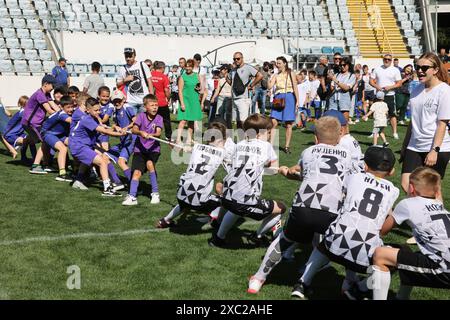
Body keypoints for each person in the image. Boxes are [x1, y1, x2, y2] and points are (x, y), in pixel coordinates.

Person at [247, 116, 352, 295]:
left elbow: (305, 174)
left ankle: (258, 278)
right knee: (323, 245)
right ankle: (306, 280)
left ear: (316, 138)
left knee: (284, 240)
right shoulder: (348, 156)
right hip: (330, 211)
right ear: (340, 135)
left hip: (304, 206)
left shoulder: (309, 152)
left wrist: (287, 173)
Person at [297, 146, 399, 300]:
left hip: (334, 246)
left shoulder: (355, 177)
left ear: (365, 166)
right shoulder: (393, 190)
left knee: (330, 236)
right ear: (391, 171)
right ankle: (359, 288)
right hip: (365, 254)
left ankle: (303, 283)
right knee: (394, 257)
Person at [371, 167, 450, 300]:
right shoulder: (440, 206)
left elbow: (383, 231)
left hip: (444, 269)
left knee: (380, 254)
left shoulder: (407, 204)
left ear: (411, 188)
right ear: (436, 191)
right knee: (410, 256)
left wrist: (388, 213)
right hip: (445, 260)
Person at [208, 114, 286, 247]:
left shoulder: (240, 144)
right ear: (260, 133)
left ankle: (218, 238)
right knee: (281, 208)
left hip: (226, 196)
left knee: (235, 207)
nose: (269, 135)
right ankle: (257, 236)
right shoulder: (266, 146)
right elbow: (273, 169)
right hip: (243, 200)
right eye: (268, 132)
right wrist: (278, 168)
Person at [156, 121, 232, 228]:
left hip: (181, 192)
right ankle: (216, 220)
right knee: (228, 201)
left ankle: (165, 220)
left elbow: (181, 148)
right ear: (220, 139)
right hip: (200, 200)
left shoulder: (197, 147)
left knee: (185, 201)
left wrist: (180, 146)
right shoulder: (222, 153)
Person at [400, 52, 450, 194]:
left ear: (435, 70)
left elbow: (442, 124)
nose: (420, 71)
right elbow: (413, 121)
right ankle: (421, 214)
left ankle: (437, 215)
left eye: (424, 68)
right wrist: (405, 145)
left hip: (436, 147)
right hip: (414, 145)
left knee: (432, 191)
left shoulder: (444, 91)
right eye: (418, 67)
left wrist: (435, 150)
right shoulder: (415, 90)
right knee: (406, 184)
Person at [69, 97, 127, 196]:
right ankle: (107, 189)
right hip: (78, 146)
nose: (98, 112)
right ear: (87, 110)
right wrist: (121, 134)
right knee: (102, 162)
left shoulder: (93, 118)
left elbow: (104, 127)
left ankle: (78, 181)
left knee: (90, 160)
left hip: (84, 145)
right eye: (96, 110)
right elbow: (103, 131)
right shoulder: (86, 119)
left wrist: (114, 127)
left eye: (99, 109)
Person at [122, 94, 163, 205]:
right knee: (136, 173)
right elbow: (135, 129)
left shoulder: (159, 118)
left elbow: (158, 132)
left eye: (156, 105)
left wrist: (151, 134)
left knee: (150, 164)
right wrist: (141, 132)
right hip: (139, 149)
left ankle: (155, 193)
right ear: (145, 107)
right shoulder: (140, 116)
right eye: (152, 105)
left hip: (153, 149)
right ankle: (132, 197)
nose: (155, 107)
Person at [22, 75, 60, 174]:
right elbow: (49, 110)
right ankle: (35, 166)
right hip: (30, 123)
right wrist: (63, 116)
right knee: (45, 141)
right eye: (53, 85)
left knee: (43, 140)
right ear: (45, 84)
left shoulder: (47, 94)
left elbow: (54, 106)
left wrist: (63, 112)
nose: (54, 88)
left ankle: (46, 164)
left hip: (36, 124)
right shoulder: (40, 94)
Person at [269, 56, 299, 154]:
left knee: (288, 124)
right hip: (278, 97)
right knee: (273, 122)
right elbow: (269, 86)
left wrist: (297, 101)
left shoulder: (291, 73)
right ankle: (270, 145)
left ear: (285, 63)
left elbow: (295, 88)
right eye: (277, 63)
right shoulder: (276, 75)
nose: (277, 65)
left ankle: (286, 146)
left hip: (289, 97)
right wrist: (271, 75)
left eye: (279, 63)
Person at [106, 90, 137, 182]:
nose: (117, 102)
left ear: (123, 99)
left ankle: (133, 184)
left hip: (131, 140)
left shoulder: (127, 107)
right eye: (115, 101)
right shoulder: (115, 110)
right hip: (123, 141)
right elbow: (115, 124)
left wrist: (126, 128)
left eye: (119, 100)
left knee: (121, 161)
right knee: (105, 157)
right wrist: (116, 127)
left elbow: (135, 121)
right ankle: (117, 182)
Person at [41, 95, 74, 182]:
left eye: (72, 106)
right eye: (68, 107)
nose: (71, 109)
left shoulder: (67, 112)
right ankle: (62, 174)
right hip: (48, 133)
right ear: (61, 107)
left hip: (59, 134)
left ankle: (77, 169)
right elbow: (72, 121)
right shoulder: (62, 114)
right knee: (63, 149)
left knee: (75, 144)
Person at [369, 53, 402, 140]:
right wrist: (377, 87)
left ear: (391, 61)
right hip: (379, 96)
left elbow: (399, 83)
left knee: (392, 114)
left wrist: (390, 87)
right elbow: (371, 81)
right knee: (376, 114)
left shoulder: (395, 70)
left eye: (389, 59)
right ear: (383, 59)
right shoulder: (377, 69)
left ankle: (394, 132)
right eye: (385, 59)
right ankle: (375, 132)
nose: (387, 60)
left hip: (390, 95)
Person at [228, 52, 263, 129]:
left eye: (238, 58)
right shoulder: (233, 70)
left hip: (243, 98)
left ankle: (248, 139)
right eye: (234, 59)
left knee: (243, 121)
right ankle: (241, 140)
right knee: (237, 122)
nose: (236, 60)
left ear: (242, 58)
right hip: (234, 98)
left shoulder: (248, 67)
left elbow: (260, 75)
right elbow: (229, 80)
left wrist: (252, 85)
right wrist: (229, 81)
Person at [116, 48, 154, 114]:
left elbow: (149, 81)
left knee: (144, 123)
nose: (128, 58)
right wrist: (125, 80)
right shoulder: (122, 68)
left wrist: (151, 98)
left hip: (144, 100)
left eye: (130, 56)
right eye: (126, 56)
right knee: (132, 123)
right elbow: (118, 84)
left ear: (134, 55)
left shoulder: (142, 65)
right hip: (130, 101)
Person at [176, 59, 205, 146]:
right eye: (186, 66)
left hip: (194, 101)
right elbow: (180, 91)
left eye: (190, 66)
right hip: (185, 101)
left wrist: (199, 89)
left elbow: (201, 89)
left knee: (192, 120)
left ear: (193, 67)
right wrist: (182, 103)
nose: (188, 68)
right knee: (183, 120)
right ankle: (178, 139)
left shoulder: (197, 75)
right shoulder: (182, 77)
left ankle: (189, 139)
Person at [1, 96, 32, 160]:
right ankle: (13, 149)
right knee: (28, 141)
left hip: (14, 131)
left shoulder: (23, 111)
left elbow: (8, 113)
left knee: (30, 140)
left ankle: (14, 150)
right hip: (8, 132)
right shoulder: (22, 112)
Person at [328, 56, 356, 123]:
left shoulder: (352, 76)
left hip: (344, 99)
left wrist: (336, 81)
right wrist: (329, 79)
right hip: (334, 99)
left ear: (348, 65)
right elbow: (332, 88)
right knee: (333, 121)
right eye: (341, 65)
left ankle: (345, 133)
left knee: (344, 121)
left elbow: (346, 88)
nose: (342, 66)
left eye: (344, 65)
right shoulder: (337, 74)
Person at [151, 61, 172, 141]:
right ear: (162, 68)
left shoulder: (150, 75)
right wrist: (169, 98)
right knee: (166, 120)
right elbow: (166, 90)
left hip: (151, 101)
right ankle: (168, 136)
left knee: (152, 119)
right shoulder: (164, 77)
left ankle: (152, 134)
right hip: (162, 102)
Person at [211, 64, 233, 128]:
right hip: (220, 98)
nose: (220, 71)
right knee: (219, 115)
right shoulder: (220, 80)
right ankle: (220, 130)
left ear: (226, 70)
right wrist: (213, 98)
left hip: (229, 98)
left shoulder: (232, 78)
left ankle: (229, 132)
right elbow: (217, 90)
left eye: (221, 69)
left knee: (228, 117)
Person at [97, 86, 114, 151]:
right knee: (96, 150)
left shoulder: (110, 106)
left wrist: (96, 117)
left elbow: (104, 120)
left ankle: (108, 160)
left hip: (104, 131)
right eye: (103, 96)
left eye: (107, 96)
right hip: (95, 130)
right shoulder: (95, 104)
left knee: (105, 149)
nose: (105, 98)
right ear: (99, 96)